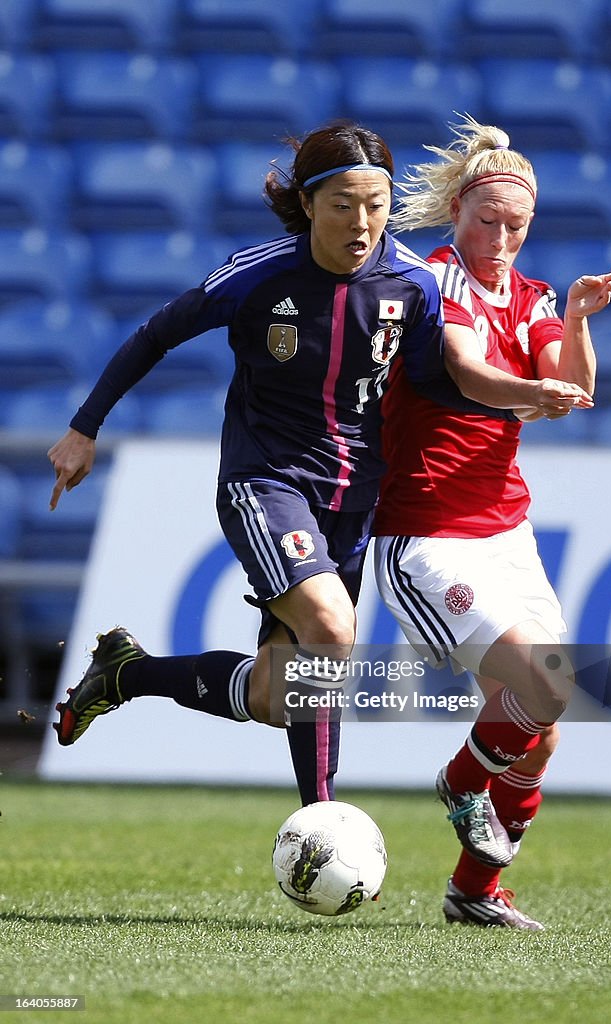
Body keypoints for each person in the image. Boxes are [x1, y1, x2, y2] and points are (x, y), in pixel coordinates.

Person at [48, 121, 445, 807]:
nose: (362, 222)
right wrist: (84, 428)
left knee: (277, 696)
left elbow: (436, 385)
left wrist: (521, 396)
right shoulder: (258, 276)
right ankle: (324, 820)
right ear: (310, 204)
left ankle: (125, 675)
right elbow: (156, 333)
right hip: (266, 481)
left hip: (353, 496)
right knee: (331, 628)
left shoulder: (413, 285)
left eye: (376, 204)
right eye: (344, 204)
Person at [373, 115, 611, 929]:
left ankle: (473, 893)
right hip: (427, 535)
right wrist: (533, 394)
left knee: (542, 732)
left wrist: (579, 323)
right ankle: (459, 779)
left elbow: (572, 386)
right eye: (489, 220)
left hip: (505, 534)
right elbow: (468, 373)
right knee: (541, 689)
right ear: (458, 213)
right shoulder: (435, 280)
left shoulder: (534, 297)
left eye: (518, 224)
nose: (503, 236)